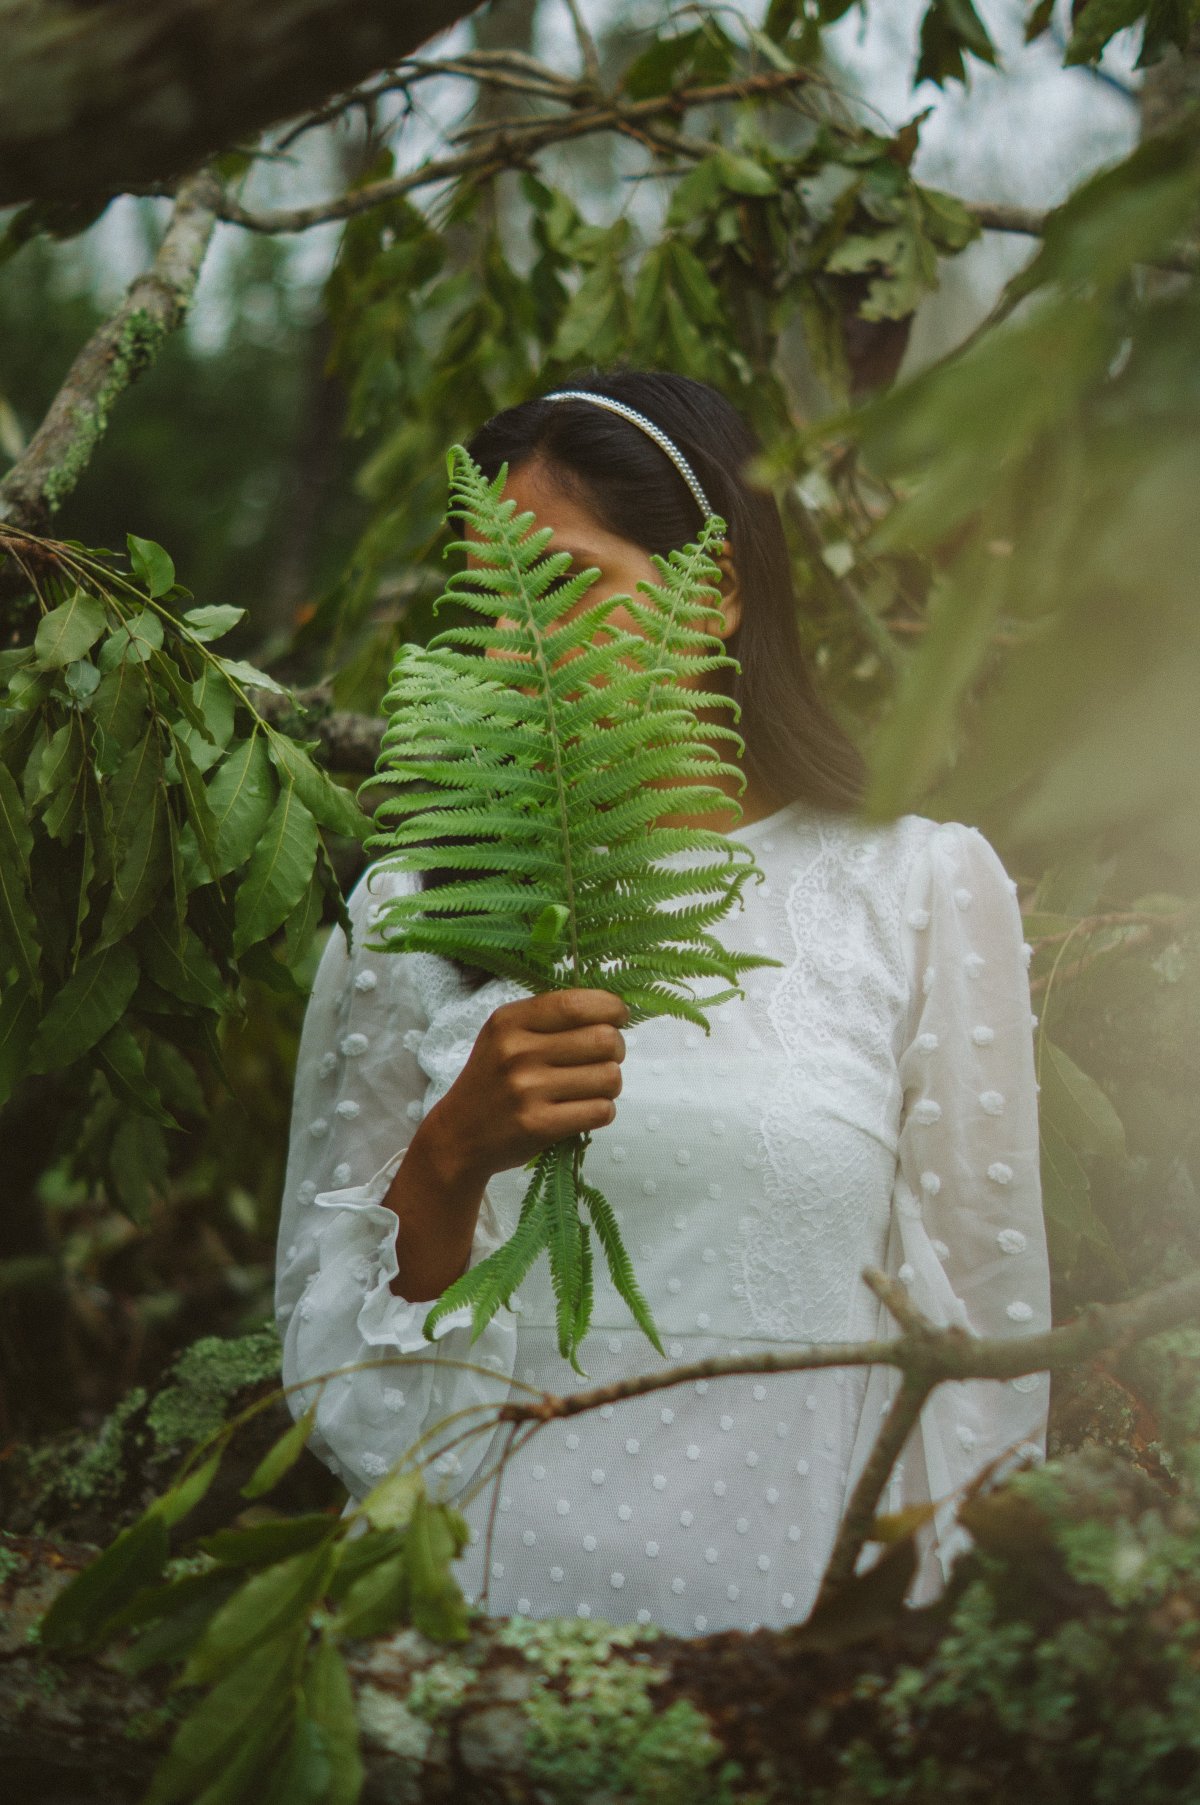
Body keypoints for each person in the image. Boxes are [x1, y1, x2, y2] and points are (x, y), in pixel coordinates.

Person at [274, 368, 1051, 1637]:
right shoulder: (415, 910)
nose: (526, 643)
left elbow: (983, 1359)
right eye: (494, 603)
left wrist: (895, 1675)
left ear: (721, 592)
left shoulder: (914, 888)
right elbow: (333, 1371)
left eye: (571, 584)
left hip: (787, 1663)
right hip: (466, 1638)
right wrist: (450, 1157)